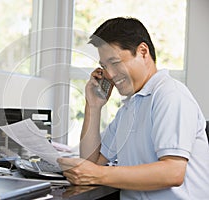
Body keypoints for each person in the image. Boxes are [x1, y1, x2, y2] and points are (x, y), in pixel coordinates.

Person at [57, 17, 209, 199]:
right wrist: (93, 106)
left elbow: (173, 172)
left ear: (143, 52)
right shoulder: (130, 108)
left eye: (115, 62)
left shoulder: (170, 94)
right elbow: (92, 161)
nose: (110, 74)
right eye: (104, 66)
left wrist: (98, 174)